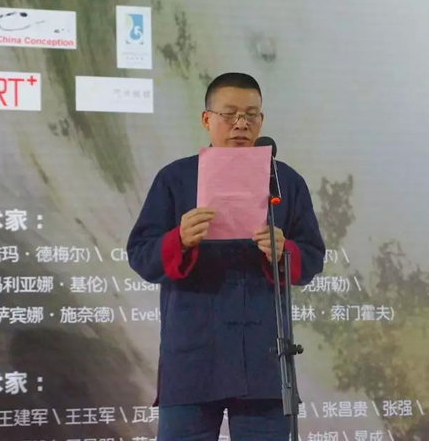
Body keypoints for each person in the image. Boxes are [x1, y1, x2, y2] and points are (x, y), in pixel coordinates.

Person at [126, 72, 325, 440]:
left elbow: (312, 257)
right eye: (229, 114)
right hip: (192, 358)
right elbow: (140, 255)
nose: (241, 124)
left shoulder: (284, 181)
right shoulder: (175, 178)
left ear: (261, 120)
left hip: (265, 361)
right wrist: (179, 240)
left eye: (251, 114)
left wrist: (284, 252)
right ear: (207, 119)